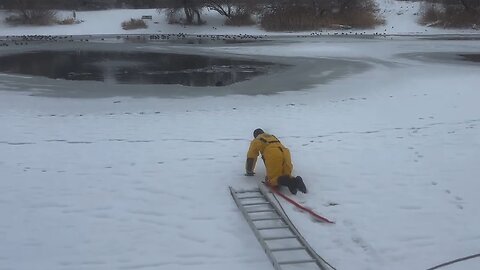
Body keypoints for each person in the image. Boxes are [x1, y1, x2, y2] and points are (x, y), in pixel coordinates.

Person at [245, 128, 307, 194]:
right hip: (285, 152)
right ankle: (292, 182)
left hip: (273, 154)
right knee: (286, 174)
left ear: (255, 135)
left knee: (272, 181)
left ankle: (293, 181)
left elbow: (251, 157)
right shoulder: (272, 137)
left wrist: (249, 171)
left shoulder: (256, 140)